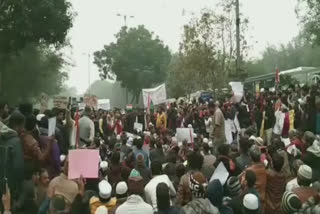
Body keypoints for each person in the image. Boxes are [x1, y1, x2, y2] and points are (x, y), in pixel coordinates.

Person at [0, 112, 25, 199]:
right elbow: (18, 167)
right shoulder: (16, 141)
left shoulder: (1, 136)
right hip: (8, 186)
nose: (23, 129)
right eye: (22, 126)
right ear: (17, 126)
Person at [241, 145, 266, 212]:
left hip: (250, 202)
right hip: (262, 202)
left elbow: (243, 184)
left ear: (251, 158)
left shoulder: (248, 171)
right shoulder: (265, 168)